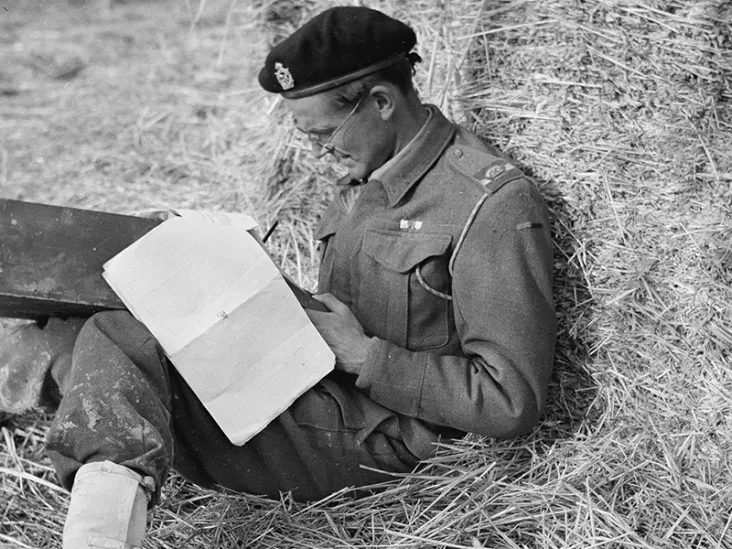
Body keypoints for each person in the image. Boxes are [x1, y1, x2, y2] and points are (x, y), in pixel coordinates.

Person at [0, 6, 556, 548]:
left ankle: (97, 538)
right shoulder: (368, 168)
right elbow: (344, 311)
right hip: (311, 382)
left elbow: (510, 400)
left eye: (323, 134)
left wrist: (365, 356)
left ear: (381, 102)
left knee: (117, 338)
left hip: (385, 437)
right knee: (83, 315)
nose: (319, 152)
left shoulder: (487, 204)